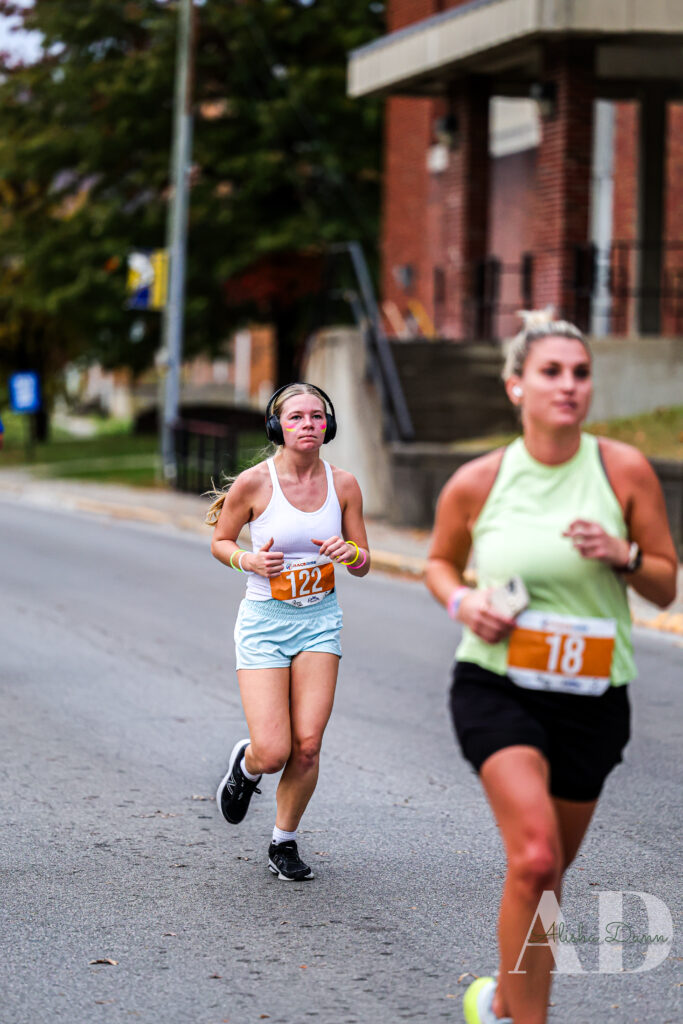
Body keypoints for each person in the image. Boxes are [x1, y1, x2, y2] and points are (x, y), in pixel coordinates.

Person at [425, 310, 677, 1024]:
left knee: (548, 874)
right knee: (534, 858)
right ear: (515, 386)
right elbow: (439, 564)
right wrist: (463, 603)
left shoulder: (621, 469)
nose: (568, 386)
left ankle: (504, 998)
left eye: (579, 373)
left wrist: (620, 554)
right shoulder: (479, 480)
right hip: (496, 684)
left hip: (593, 695)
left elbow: (664, 583)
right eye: (550, 372)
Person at [207, 383, 370, 881]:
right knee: (274, 750)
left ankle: (284, 841)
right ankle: (248, 766)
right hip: (265, 623)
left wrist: (351, 555)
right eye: (296, 417)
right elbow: (220, 541)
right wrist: (247, 559)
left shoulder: (344, 485)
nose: (308, 425)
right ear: (278, 426)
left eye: (317, 417)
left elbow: (364, 563)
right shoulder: (256, 484)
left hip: (319, 621)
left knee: (308, 745)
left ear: (329, 426)